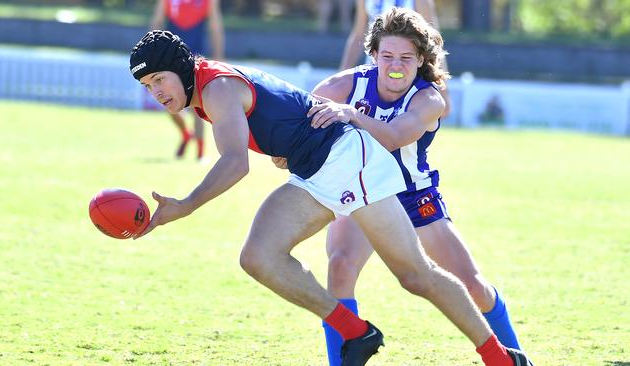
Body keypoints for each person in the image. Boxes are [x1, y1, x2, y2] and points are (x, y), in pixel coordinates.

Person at [128, 30, 533, 366]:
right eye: (148, 86)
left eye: (159, 80)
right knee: (258, 257)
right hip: (312, 170)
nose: (156, 93)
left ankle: (501, 357)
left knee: (415, 276)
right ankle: (356, 331)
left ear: (180, 68)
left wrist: (184, 205)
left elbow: (235, 163)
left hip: (344, 159)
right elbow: (287, 107)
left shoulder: (215, 87)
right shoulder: (203, 90)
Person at [294, 8, 523, 365]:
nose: (395, 65)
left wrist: (351, 114)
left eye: (405, 57)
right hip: (362, 191)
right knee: (339, 265)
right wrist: (288, 145)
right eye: (386, 56)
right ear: (373, 56)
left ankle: (514, 356)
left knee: (472, 287)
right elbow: (299, 122)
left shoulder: (429, 98)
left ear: (420, 59)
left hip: (413, 197)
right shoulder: (342, 86)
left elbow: (396, 136)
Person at [340, 0, 451, 118]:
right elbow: (358, 35)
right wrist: (343, 75)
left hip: (408, 78)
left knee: (402, 129)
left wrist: (441, 86)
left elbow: (432, 42)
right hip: (377, 74)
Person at [150, 0, 225, 160]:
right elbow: (157, 22)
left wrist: (218, 58)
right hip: (170, 58)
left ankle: (200, 153)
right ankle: (185, 134)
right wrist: (151, 52)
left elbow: (215, 27)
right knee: (167, 102)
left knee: (196, 104)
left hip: (195, 58)